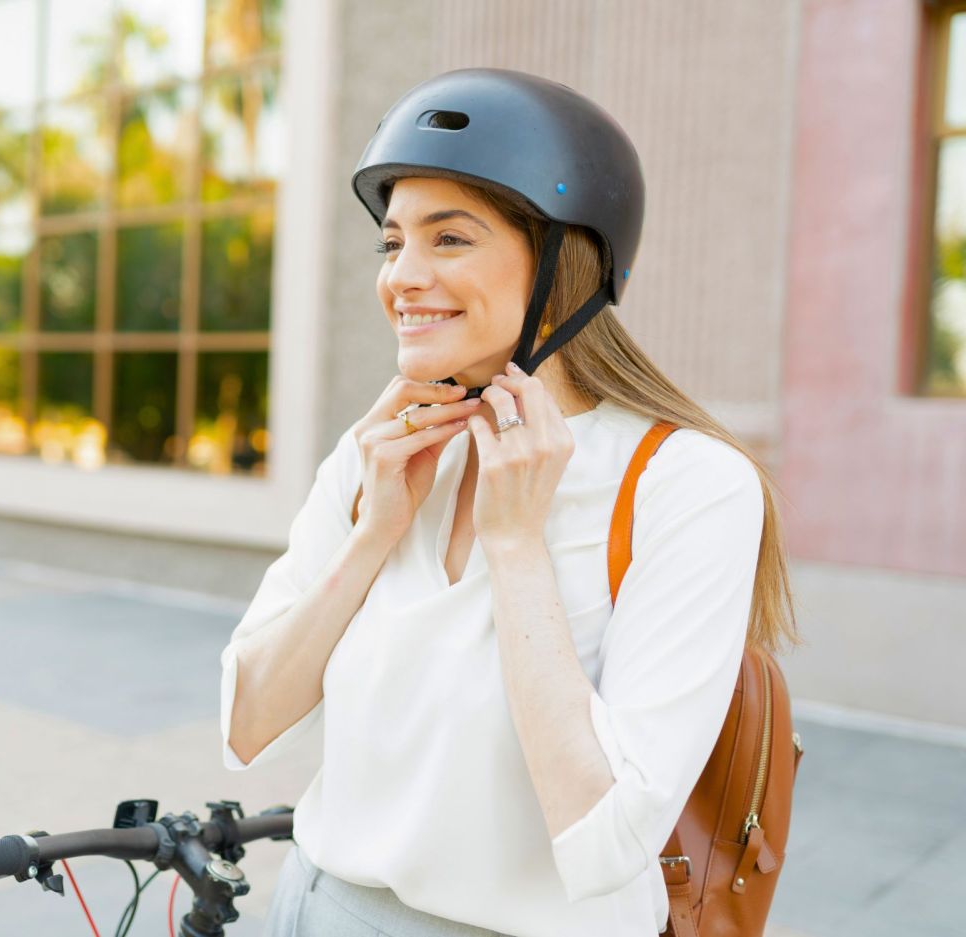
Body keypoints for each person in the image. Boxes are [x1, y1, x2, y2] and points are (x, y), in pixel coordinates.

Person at [219, 68, 800, 937]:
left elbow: (607, 840)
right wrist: (373, 533)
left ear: (566, 259)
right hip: (311, 903)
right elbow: (248, 721)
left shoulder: (689, 482)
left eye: (449, 239)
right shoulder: (379, 452)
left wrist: (518, 545)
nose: (401, 278)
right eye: (391, 243)